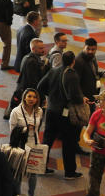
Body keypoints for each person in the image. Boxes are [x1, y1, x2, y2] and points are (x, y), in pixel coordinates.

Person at [37, 50, 86, 180]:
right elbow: (75, 97)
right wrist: (82, 99)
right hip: (65, 114)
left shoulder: (54, 70)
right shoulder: (72, 75)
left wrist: (51, 96)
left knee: (47, 139)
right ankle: (69, 172)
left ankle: (41, 167)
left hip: (51, 110)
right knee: (68, 142)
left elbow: (40, 86)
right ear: (73, 61)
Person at [9, 88, 44, 196]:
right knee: (18, 171)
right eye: (29, 96)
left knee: (33, 173)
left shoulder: (39, 111)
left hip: (34, 143)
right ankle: (17, 195)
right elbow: (12, 131)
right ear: (24, 97)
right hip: (20, 145)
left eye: (34, 97)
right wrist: (25, 129)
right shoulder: (16, 112)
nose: (32, 99)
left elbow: (38, 127)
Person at [75, 37, 105, 106]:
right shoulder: (78, 61)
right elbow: (75, 82)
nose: (90, 51)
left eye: (93, 49)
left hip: (93, 94)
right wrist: (82, 97)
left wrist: (103, 74)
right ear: (84, 47)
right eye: (88, 49)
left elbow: (94, 73)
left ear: (96, 49)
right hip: (85, 98)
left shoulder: (92, 57)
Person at [12, 11, 42, 78]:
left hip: (19, 61)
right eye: (39, 21)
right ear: (35, 21)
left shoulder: (21, 28)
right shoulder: (31, 35)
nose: (40, 23)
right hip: (25, 65)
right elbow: (30, 52)